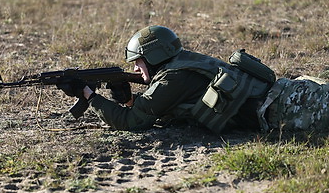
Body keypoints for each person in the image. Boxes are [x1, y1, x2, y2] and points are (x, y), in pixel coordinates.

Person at [59, 25, 329, 134]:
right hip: (289, 93)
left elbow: (132, 122)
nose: (137, 69)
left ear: (153, 56)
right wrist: (129, 99)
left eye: (138, 62)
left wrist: (88, 96)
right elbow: (169, 104)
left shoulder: (172, 79)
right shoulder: (183, 61)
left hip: (290, 109)